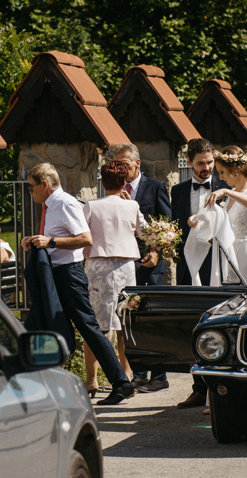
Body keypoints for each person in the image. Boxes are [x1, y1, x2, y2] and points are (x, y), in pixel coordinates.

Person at [20, 163, 135, 406]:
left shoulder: (65, 203)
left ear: (45, 184)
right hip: (56, 273)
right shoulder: (50, 206)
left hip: (69, 275)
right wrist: (35, 241)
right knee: (44, 323)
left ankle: (122, 383)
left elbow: (85, 238)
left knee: (88, 328)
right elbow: (55, 238)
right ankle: (40, 385)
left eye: (32, 187)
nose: (30, 192)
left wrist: (50, 242)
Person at [81, 160, 159, 397]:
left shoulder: (91, 206)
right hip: (126, 267)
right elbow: (148, 234)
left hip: (98, 267)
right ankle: (125, 374)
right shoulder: (132, 206)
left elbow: (82, 236)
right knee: (124, 322)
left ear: (102, 182)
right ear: (125, 182)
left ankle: (92, 379)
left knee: (95, 325)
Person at [170, 138, 229, 409]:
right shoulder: (178, 191)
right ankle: (197, 389)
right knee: (194, 327)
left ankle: (221, 387)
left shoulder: (227, 187)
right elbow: (176, 227)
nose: (206, 168)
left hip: (218, 264)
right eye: (200, 163)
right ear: (189, 163)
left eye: (209, 162)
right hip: (188, 267)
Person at [111, 142, 171, 393]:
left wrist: (156, 253)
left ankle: (160, 375)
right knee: (131, 319)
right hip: (127, 265)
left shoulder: (155, 187)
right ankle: (139, 374)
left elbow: (167, 224)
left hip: (152, 264)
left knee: (154, 318)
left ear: (137, 163)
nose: (120, 168)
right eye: (116, 164)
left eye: (124, 163)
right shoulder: (113, 190)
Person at [206, 146, 247, 285]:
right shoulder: (231, 193)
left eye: (222, 172)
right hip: (231, 255)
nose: (220, 177)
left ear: (235, 171)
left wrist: (227, 192)